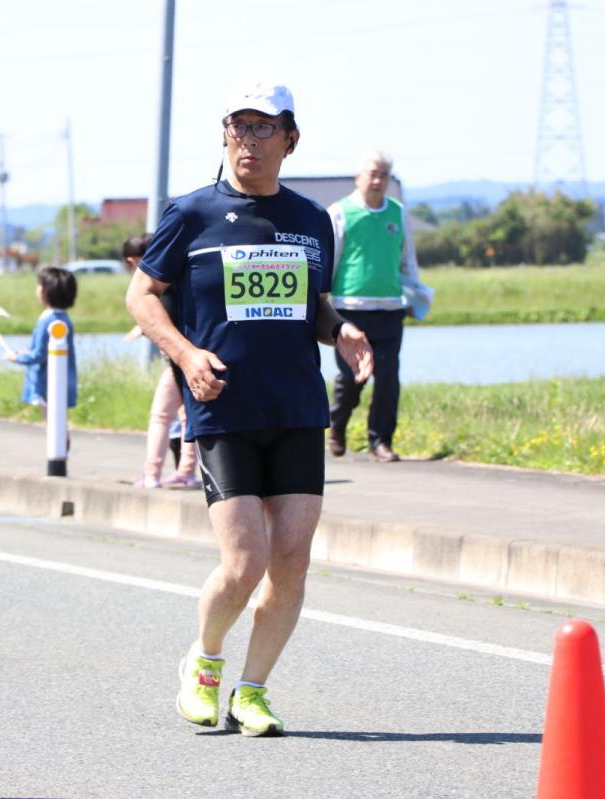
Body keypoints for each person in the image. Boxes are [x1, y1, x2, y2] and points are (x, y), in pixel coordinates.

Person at [126, 81, 373, 737]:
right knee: (244, 562)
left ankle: (252, 690)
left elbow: (311, 306)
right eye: (238, 127)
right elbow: (142, 296)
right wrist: (184, 354)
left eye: (263, 129)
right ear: (224, 136)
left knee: (291, 558)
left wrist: (340, 328)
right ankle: (204, 663)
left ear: (291, 139)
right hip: (222, 406)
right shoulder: (192, 214)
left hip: (296, 405)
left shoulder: (312, 220)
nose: (249, 141)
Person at [326, 150, 425, 463]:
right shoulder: (340, 213)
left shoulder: (397, 213)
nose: (378, 180)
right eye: (373, 173)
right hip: (349, 310)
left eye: (384, 174)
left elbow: (407, 260)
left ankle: (380, 440)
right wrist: (321, 304)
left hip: (390, 308)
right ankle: (337, 425)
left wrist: (415, 298)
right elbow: (330, 260)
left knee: (389, 379)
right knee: (351, 381)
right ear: (358, 176)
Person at [123, 233, 200, 489]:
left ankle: (151, 474)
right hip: (191, 355)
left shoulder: (160, 280)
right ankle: (187, 471)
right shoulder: (182, 272)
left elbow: (161, 317)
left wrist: (144, 329)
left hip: (180, 360)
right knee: (187, 416)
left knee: (160, 416)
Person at [7, 265, 78, 418]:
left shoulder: (48, 320)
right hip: (61, 380)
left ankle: (61, 443)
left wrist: (17, 358)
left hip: (48, 382)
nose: (38, 289)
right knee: (58, 424)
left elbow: (39, 355)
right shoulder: (63, 318)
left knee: (53, 425)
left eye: (40, 285)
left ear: (48, 291)